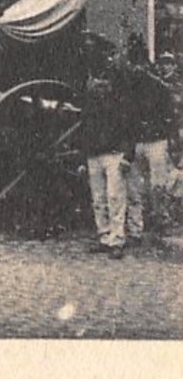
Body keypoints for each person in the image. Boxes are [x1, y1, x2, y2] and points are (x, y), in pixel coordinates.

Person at [79, 59, 134, 258]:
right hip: (93, 156)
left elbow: (129, 130)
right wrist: (82, 159)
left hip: (114, 154)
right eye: (95, 84)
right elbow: (83, 133)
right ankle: (104, 236)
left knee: (115, 196)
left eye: (103, 83)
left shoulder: (119, 106)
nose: (99, 88)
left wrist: (127, 156)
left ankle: (118, 238)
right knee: (98, 199)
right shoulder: (89, 110)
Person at [125, 52, 175, 243]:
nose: (137, 68)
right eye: (133, 64)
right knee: (134, 188)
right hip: (137, 142)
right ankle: (136, 229)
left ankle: (160, 222)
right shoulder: (129, 88)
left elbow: (170, 117)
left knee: (157, 185)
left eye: (140, 65)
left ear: (146, 66)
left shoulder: (160, 88)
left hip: (156, 141)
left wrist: (169, 141)